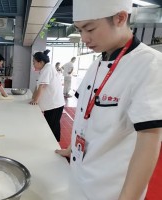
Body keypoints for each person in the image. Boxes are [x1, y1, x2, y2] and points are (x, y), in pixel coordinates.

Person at [55, 0, 162, 199]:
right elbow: (83, 114)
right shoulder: (98, 63)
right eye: (79, 30)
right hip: (78, 177)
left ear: (120, 18)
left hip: (110, 189)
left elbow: (150, 138)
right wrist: (72, 148)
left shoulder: (149, 65)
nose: (84, 38)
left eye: (90, 28)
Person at [30, 50, 65, 142]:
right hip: (53, 104)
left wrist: (35, 101)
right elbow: (37, 85)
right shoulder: (44, 69)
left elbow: (42, 86)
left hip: (54, 104)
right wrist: (33, 98)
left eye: (34, 62)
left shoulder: (47, 69)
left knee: (51, 126)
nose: (33, 64)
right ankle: (55, 143)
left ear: (41, 62)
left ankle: (52, 144)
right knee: (54, 124)